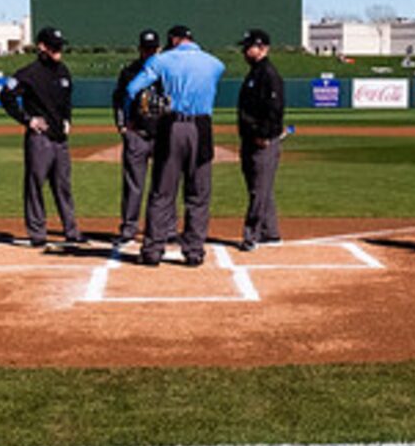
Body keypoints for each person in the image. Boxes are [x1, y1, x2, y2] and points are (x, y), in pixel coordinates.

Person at [137, 24, 224, 267]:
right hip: (202, 128)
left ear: (174, 40)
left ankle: (153, 250)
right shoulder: (216, 64)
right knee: (198, 193)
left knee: (162, 192)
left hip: (171, 126)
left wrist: (139, 113)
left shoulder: (161, 60)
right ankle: (194, 251)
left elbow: (134, 88)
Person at [0, 25, 85, 249]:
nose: (58, 51)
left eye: (60, 47)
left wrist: (68, 120)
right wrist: (27, 120)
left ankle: (71, 231)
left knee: (63, 186)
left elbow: (67, 101)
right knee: (35, 184)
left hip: (60, 139)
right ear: (42, 47)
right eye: (54, 47)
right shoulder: (29, 74)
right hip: (40, 139)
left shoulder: (63, 71)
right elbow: (6, 95)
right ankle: (37, 232)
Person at [233, 29, 286, 249]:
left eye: (249, 47)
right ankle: (270, 232)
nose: (245, 51)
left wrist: (264, 134)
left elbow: (275, 109)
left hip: (261, 141)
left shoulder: (268, 74)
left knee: (259, 190)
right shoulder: (255, 72)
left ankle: (251, 235)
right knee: (260, 188)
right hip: (250, 138)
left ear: (262, 48)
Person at [110, 29, 161, 254]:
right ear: (140, 48)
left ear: (158, 49)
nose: (149, 51)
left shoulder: (166, 71)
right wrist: (122, 125)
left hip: (162, 135)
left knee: (162, 187)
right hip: (137, 134)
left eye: (152, 48)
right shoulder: (130, 71)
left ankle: (162, 229)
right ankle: (129, 228)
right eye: (145, 48)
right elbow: (119, 99)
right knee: (133, 185)